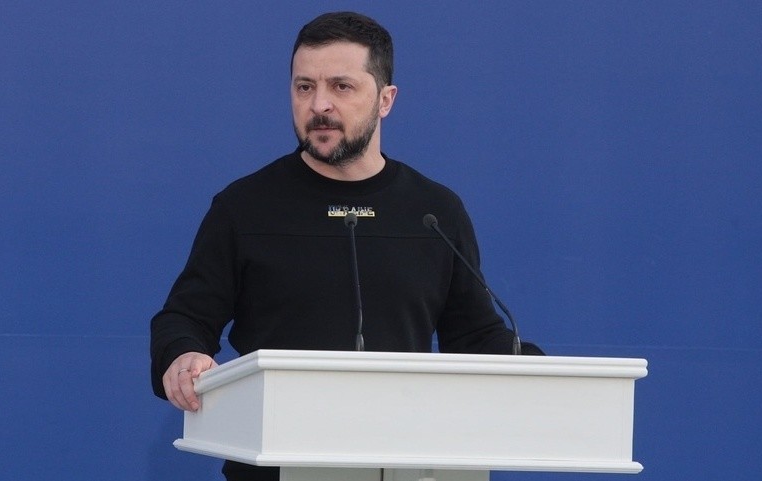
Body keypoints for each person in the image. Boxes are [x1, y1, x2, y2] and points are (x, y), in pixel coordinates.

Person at [150, 11, 542, 481]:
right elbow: (185, 318)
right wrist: (182, 354)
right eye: (304, 87)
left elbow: (474, 337)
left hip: (405, 462)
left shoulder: (434, 212)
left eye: (341, 86)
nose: (319, 105)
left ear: (385, 100)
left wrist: (539, 374)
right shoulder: (244, 207)